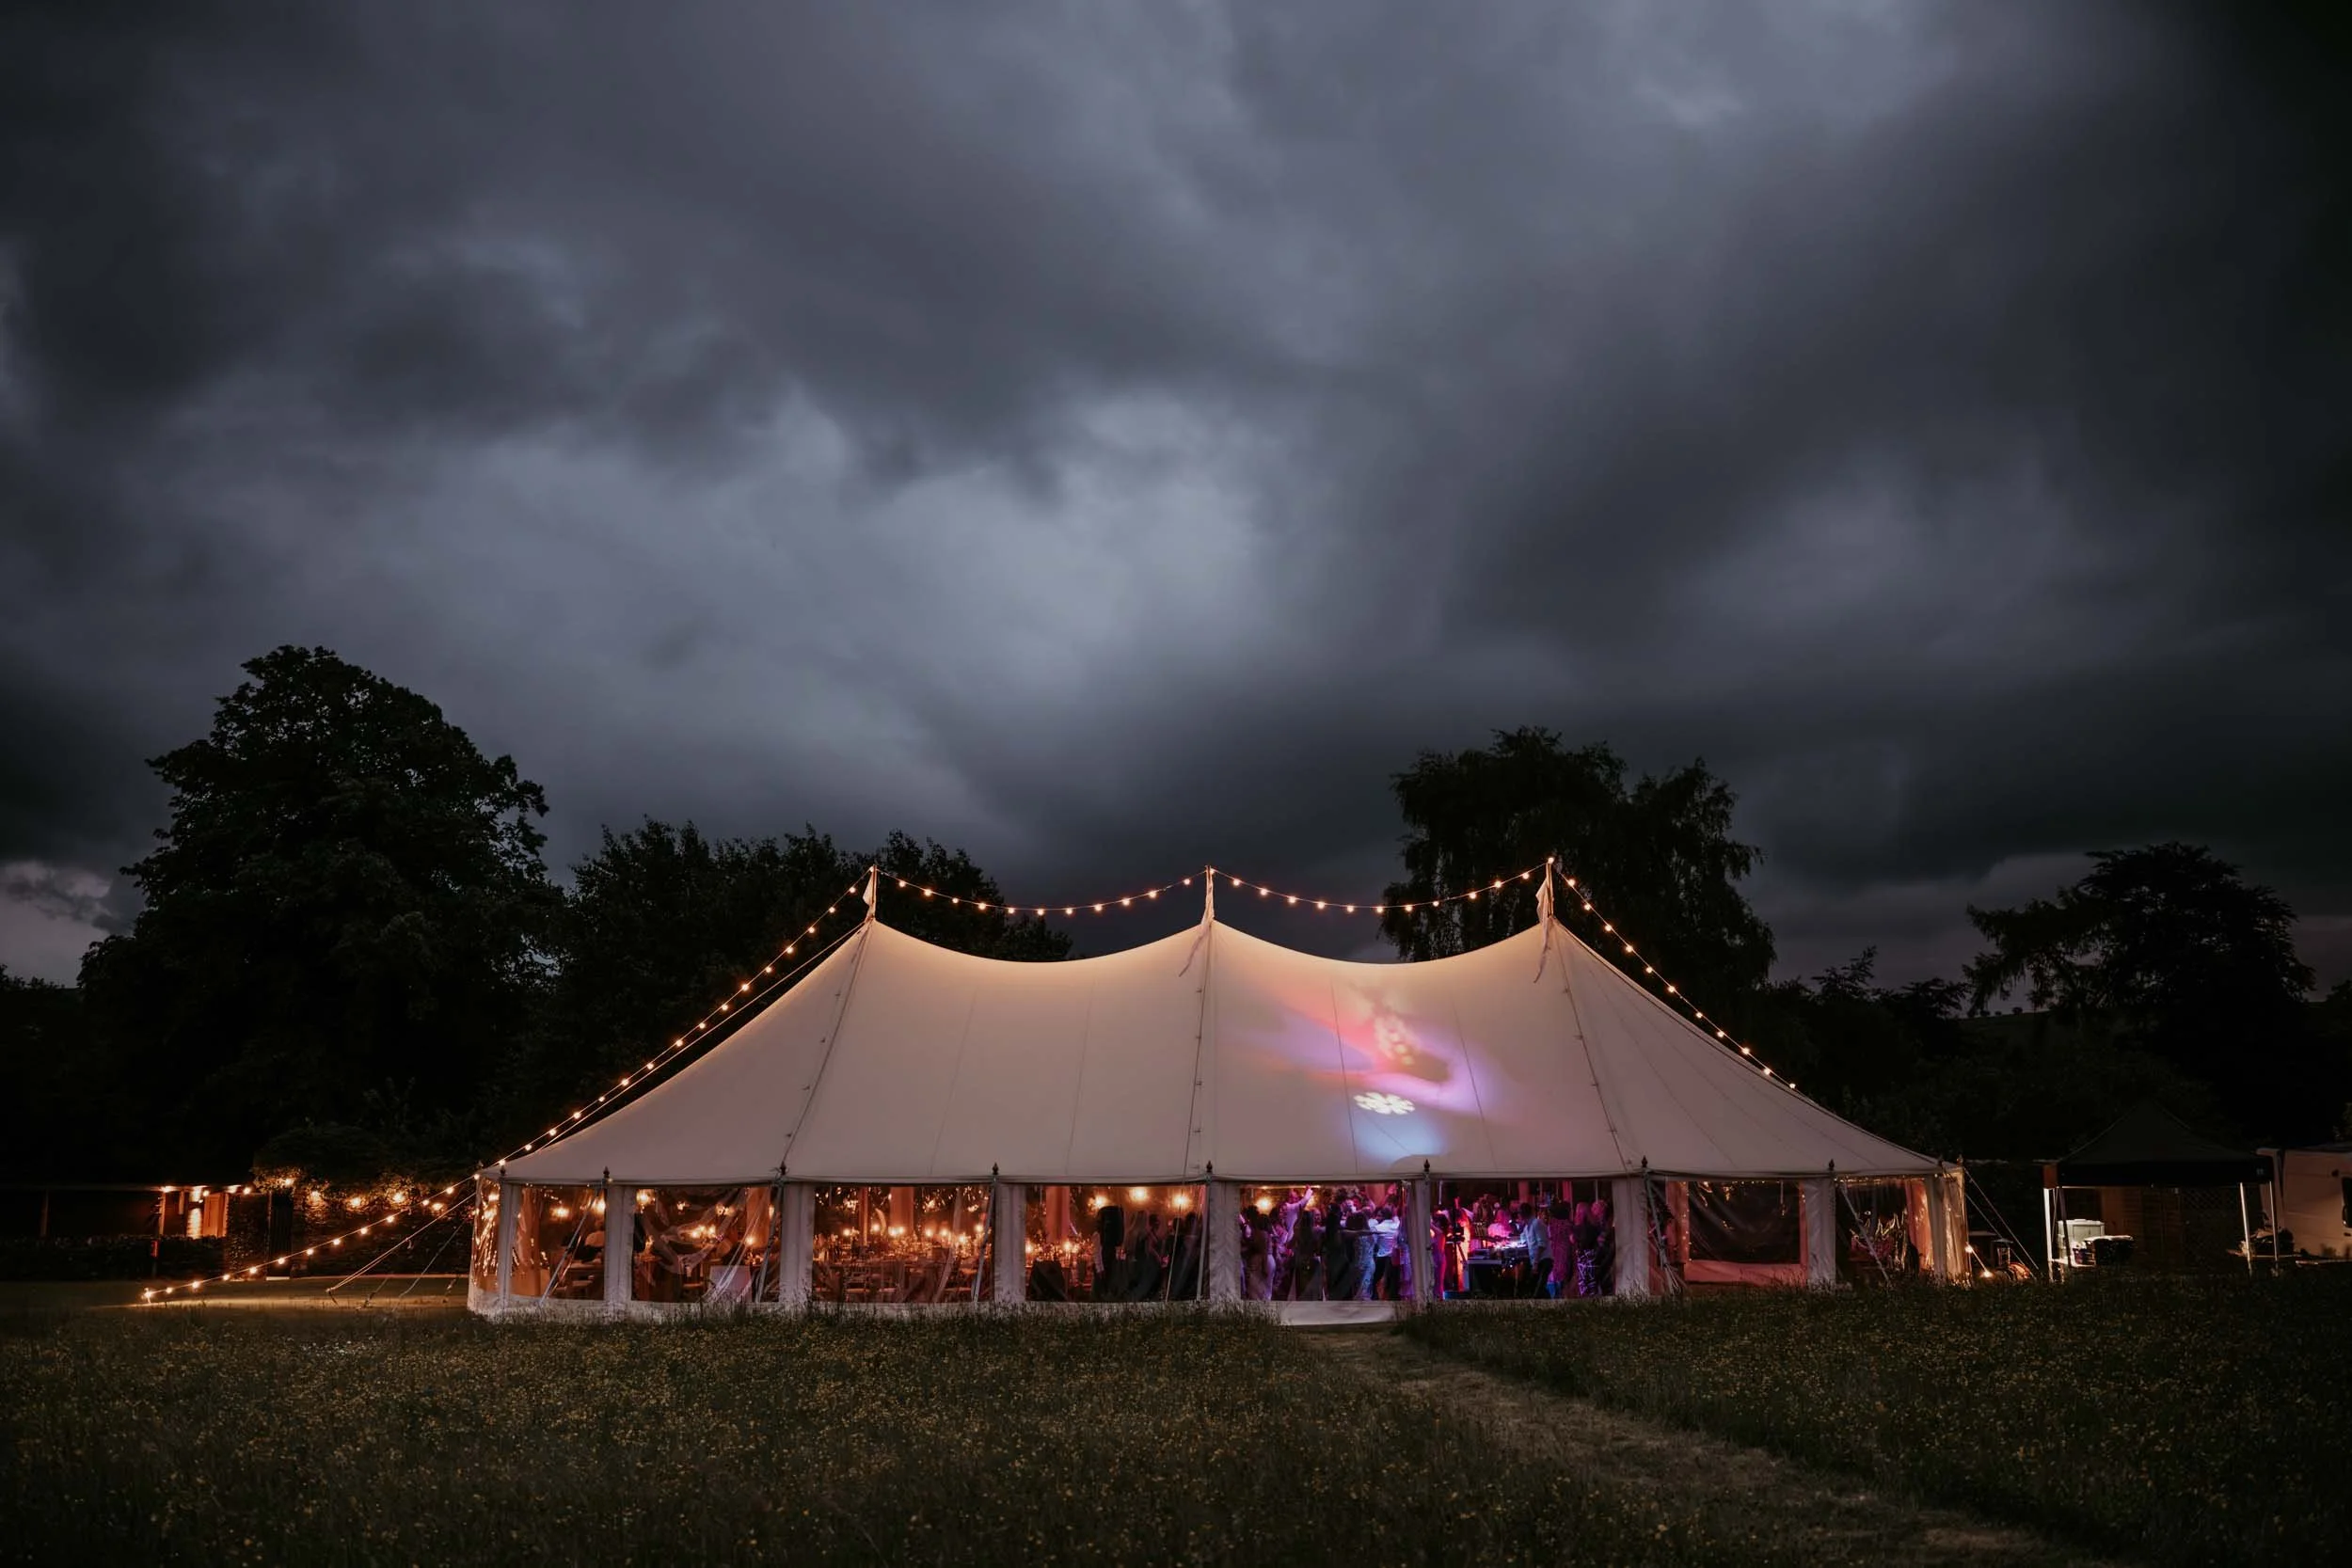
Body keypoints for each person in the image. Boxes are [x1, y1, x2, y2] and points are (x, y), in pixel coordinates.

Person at [1368, 1204, 1403, 1300]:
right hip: (1394, 1258)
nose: (1377, 1218)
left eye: (1379, 1216)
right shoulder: (1397, 1225)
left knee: (1376, 1281)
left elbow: (1372, 1243)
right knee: (1392, 1282)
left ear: (1383, 1216)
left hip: (1381, 1257)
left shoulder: (1378, 1228)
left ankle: (1377, 1299)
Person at [1572, 1201, 1604, 1298]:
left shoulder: (1577, 1227)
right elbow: (1599, 1239)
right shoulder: (1595, 1226)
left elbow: (1576, 1240)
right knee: (1592, 1280)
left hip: (1582, 1255)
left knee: (1583, 1280)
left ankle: (1585, 1301)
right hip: (1592, 1255)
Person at [1544, 1201, 1576, 1299]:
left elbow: (1548, 1237)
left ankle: (1555, 1294)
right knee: (1564, 1274)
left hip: (1553, 1250)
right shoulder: (1568, 1225)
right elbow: (1572, 1239)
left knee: (1554, 1273)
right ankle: (1563, 1294)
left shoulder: (1551, 1225)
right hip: (1565, 1250)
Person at [1590, 1196, 1615, 1296]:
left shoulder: (1603, 1224)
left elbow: (1602, 1239)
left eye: (1594, 1209)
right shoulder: (1601, 1223)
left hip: (1603, 1254)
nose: (1592, 1211)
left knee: (1602, 1276)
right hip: (1602, 1253)